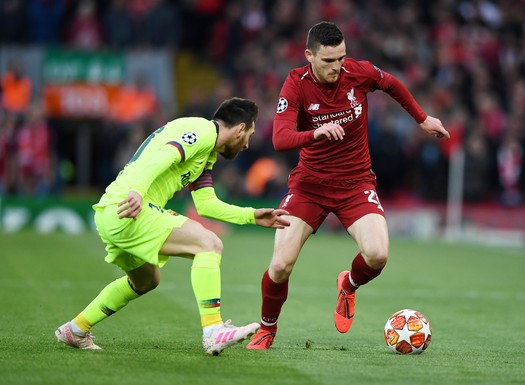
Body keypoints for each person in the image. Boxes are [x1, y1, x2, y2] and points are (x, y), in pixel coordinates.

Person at [246, 21, 449, 350]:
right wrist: (316, 133)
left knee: (378, 255)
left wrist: (422, 118)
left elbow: (393, 84)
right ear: (309, 56)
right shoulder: (296, 84)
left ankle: (348, 284)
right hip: (309, 185)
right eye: (328, 61)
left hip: (355, 184)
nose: (337, 67)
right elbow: (280, 138)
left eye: (341, 58)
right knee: (281, 264)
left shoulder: (359, 72)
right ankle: (267, 328)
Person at [55, 97, 290, 355]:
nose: (247, 145)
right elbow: (166, 154)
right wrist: (138, 190)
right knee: (209, 244)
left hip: (115, 212)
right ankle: (213, 330)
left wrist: (252, 216)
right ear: (240, 128)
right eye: (250, 135)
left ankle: (76, 329)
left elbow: (207, 205)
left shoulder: (206, 154)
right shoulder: (202, 131)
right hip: (130, 207)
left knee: (145, 281)